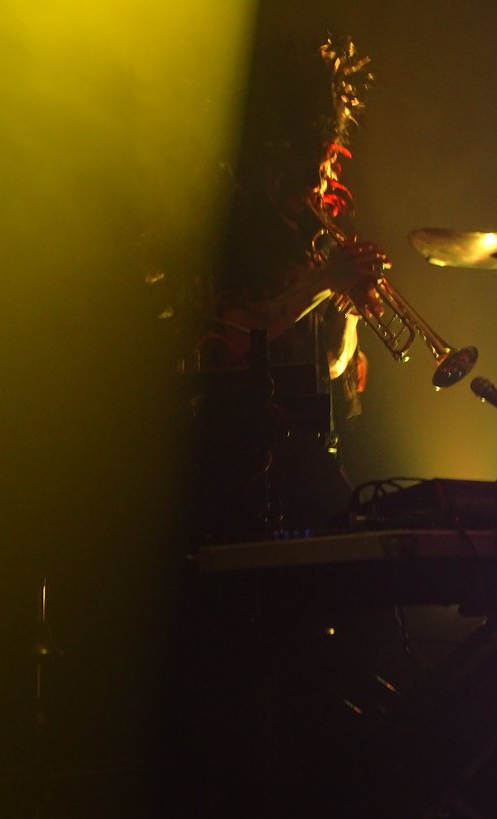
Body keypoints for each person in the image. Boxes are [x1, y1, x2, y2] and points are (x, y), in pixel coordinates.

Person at [186, 34, 387, 542]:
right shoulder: (234, 230)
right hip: (238, 454)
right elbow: (232, 338)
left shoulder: (312, 236)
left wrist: (353, 307)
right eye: (311, 169)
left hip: (304, 442)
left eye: (325, 167)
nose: (319, 182)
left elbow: (333, 365)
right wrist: (325, 282)